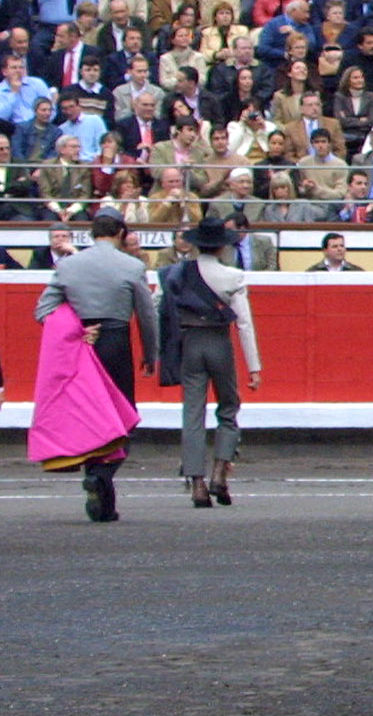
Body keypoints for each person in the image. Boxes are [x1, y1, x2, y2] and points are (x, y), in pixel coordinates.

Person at [32, 210, 158, 523]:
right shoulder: (132, 265)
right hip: (115, 344)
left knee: (90, 416)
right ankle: (102, 471)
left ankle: (103, 497)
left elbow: (43, 311)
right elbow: (146, 315)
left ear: (92, 233)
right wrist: (151, 353)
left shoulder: (69, 265)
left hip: (81, 347)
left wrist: (75, 330)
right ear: (120, 232)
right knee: (122, 418)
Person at [159, 216, 260, 507]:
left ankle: (197, 485)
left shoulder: (176, 274)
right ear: (221, 247)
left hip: (190, 343)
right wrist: (254, 366)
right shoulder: (233, 276)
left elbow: (159, 308)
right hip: (219, 343)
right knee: (228, 406)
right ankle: (219, 474)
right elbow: (244, 324)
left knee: (193, 412)